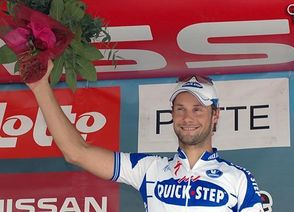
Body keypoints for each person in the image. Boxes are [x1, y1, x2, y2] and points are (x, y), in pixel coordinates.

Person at [27, 60, 264, 211]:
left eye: (198, 109)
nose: (187, 118)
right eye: (180, 109)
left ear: (215, 115)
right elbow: (77, 152)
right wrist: (40, 87)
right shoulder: (150, 169)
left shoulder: (238, 179)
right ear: (171, 114)